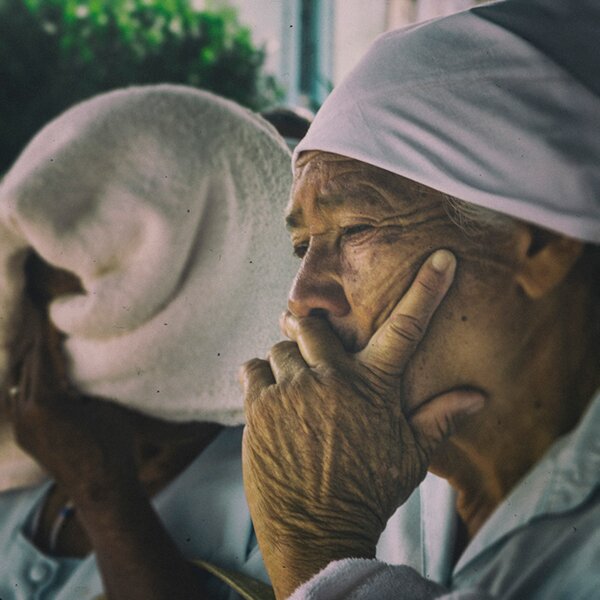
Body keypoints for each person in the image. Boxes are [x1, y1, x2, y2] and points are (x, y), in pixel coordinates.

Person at [240, 0, 600, 598]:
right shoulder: (372, 473)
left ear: (540, 241)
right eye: (304, 246)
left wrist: (317, 547)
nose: (302, 300)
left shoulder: (339, 498)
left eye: (355, 230)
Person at [0, 84, 295, 599]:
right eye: (39, 289)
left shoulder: (282, 500)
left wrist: (103, 493)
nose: (39, 331)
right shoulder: (21, 462)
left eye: (85, 295)